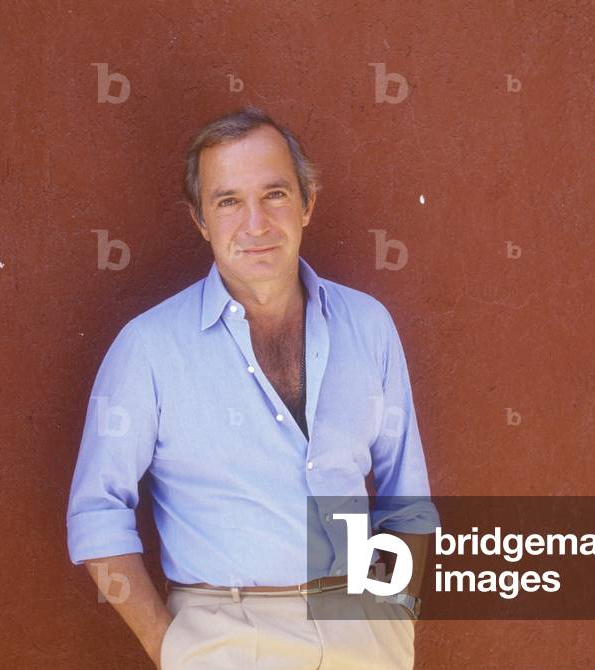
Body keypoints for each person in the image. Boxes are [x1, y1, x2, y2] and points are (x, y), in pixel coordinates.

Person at [66, 106, 436, 669]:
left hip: (365, 633)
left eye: (275, 194)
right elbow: (97, 510)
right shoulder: (149, 348)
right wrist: (168, 646)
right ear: (200, 220)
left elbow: (405, 494)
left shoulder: (369, 326)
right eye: (229, 201)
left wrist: (397, 610)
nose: (256, 224)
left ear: (307, 202)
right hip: (225, 639)